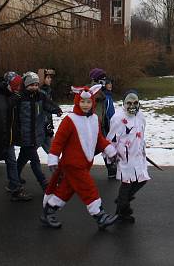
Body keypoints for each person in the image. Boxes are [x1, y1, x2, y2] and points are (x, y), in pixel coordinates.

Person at [41, 85, 119, 230]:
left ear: (93, 103)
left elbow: (99, 139)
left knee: (66, 190)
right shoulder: (70, 120)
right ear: (77, 101)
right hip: (72, 164)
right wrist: (53, 158)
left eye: (88, 102)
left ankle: (48, 212)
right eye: (82, 102)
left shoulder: (95, 119)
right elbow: (58, 141)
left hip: (85, 163)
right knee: (88, 188)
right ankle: (100, 216)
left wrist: (110, 151)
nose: (85, 105)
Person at [0, 72, 30, 202]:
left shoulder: (12, 94)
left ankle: (15, 188)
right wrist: (12, 101)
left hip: (8, 136)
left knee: (12, 162)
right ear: (7, 84)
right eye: (15, 86)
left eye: (20, 86)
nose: (18, 89)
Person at [14, 72, 61, 192]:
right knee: (35, 161)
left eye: (36, 85)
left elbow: (48, 105)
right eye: (31, 85)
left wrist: (56, 110)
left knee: (23, 158)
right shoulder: (19, 98)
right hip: (25, 135)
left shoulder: (40, 96)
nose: (34, 87)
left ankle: (13, 179)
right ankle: (44, 184)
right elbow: (14, 116)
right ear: (25, 85)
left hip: (36, 133)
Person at [107, 91, 149, 222]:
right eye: (129, 103)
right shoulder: (118, 118)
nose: (132, 106)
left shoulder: (140, 116)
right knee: (127, 183)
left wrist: (142, 149)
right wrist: (111, 155)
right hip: (124, 156)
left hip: (138, 155)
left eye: (135, 103)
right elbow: (111, 138)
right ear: (124, 104)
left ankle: (122, 201)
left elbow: (141, 134)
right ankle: (121, 212)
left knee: (142, 179)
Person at [91, 68, 117, 178]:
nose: (109, 84)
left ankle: (112, 170)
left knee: (103, 147)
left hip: (104, 128)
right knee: (95, 149)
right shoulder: (101, 97)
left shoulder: (106, 96)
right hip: (101, 128)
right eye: (106, 81)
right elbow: (108, 115)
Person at [38, 68, 56, 154]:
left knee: (53, 152)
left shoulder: (48, 91)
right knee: (53, 152)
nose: (50, 79)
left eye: (50, 77)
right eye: (48, 78)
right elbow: (43, 110)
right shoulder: (40, 93)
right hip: (42, 127)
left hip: (47, 125)